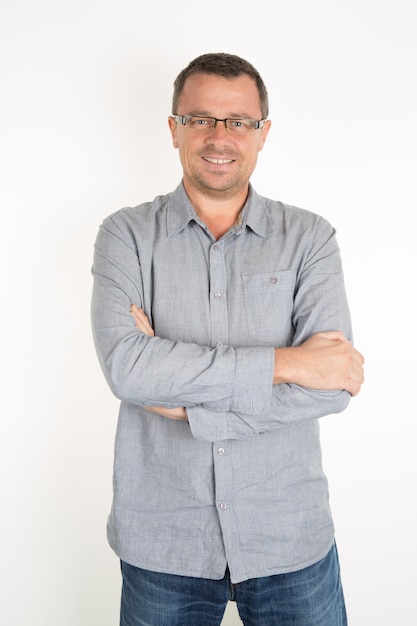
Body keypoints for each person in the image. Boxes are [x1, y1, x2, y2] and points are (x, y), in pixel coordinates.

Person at [91, 52, 364, 626]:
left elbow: (333, 385)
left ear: (263, 133)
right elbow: (128, 369)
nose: (220, 137)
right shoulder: (126, 236)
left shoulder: (309, 239)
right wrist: (289, 363)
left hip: (289, 537)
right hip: (163, 541)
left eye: (239, 121)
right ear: (173, 129)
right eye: (200, 119)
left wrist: (182, 405)